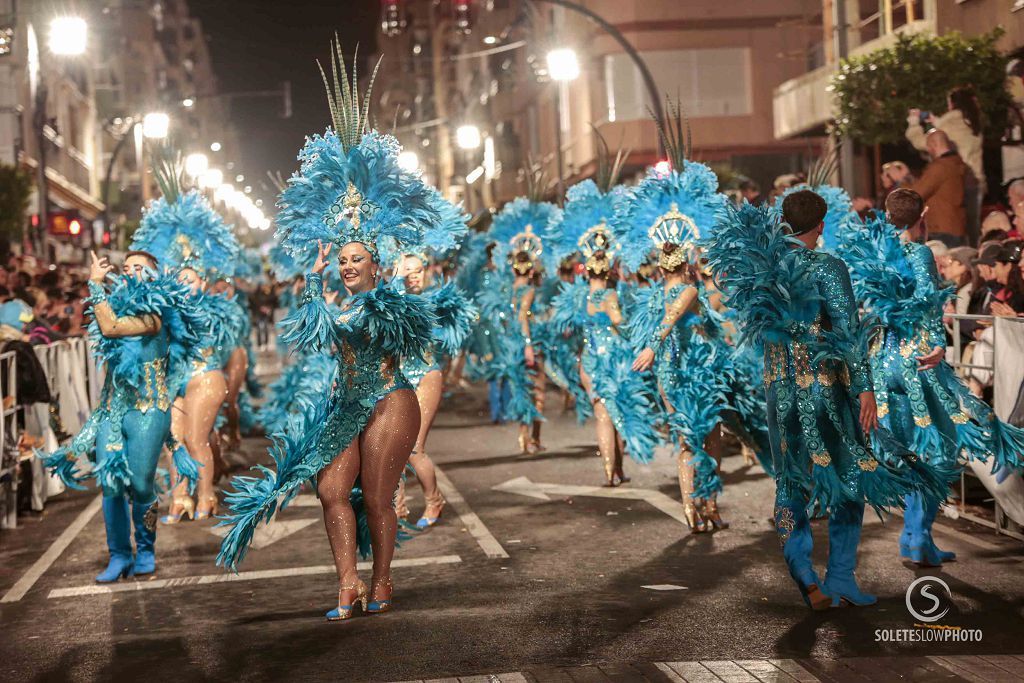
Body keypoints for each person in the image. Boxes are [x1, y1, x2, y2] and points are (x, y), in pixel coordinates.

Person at [217, 48, 437, 622]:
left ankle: (382, 577)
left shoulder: (391, 302)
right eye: (341, 258)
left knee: (378, 497)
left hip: (391, 399)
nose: (346, 265)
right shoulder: (333, 295)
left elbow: (402, 331)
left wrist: (384, 294)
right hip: (346, 405)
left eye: (355, 257)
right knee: (332, 491)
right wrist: (313, 285)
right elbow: (313, 334)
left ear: (374, 263)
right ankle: (347, 583)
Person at [708, 190, 946, 608]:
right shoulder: (828, 266)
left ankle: (801, 568)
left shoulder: (761, 266)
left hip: (778, 391)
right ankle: (839, 579)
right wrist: (864, 389)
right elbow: (849, 334)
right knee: (851, 478)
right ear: (820, 226)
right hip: (825, 390)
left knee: (790, 481)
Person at [837, 188, 1024, 566]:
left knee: (903, 445)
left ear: (886, 214)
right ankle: (918, 535)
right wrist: (938, 344)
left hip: (880, 359)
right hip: (917, 360)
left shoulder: (870, 251)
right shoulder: (919, 252)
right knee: (936, 447)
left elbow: (861, 309)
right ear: (923, 214)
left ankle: (913, 536)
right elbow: (927, 304)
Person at [40, 250, 205, 581]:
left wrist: (94, 285)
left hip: (149, 412)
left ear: (155, 277)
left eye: (139, 268)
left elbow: (112, 326)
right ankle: (119, 555)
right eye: (126, 267)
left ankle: (145, 548)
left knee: (142, 481)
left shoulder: (158, 314)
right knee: (110, 482)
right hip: (114, 411)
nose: (130, 272)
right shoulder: (113, 304)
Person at [908, 86, 985, 244]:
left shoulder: (949, 124)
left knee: (952, 221)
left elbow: (925, 142)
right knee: (971, 226)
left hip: (954, 179)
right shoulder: (973, 123)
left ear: (952, 103)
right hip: (974, 179)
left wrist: (914, 124)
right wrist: (937, 122)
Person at [908, 129, 967, 247]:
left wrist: (903, 180)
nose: (928, 150)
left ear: (934, 145)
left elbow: (917, 193)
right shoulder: (956, 163)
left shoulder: (940, 167)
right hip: (955, 225)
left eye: (928, 146)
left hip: (941, 227)